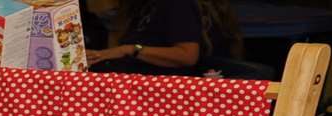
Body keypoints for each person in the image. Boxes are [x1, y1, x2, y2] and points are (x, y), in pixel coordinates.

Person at [84, 0, 238, 73]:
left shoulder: (176, 5)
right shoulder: (143, 7)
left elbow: (188, 55)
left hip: (163, 96)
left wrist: (131, 49)